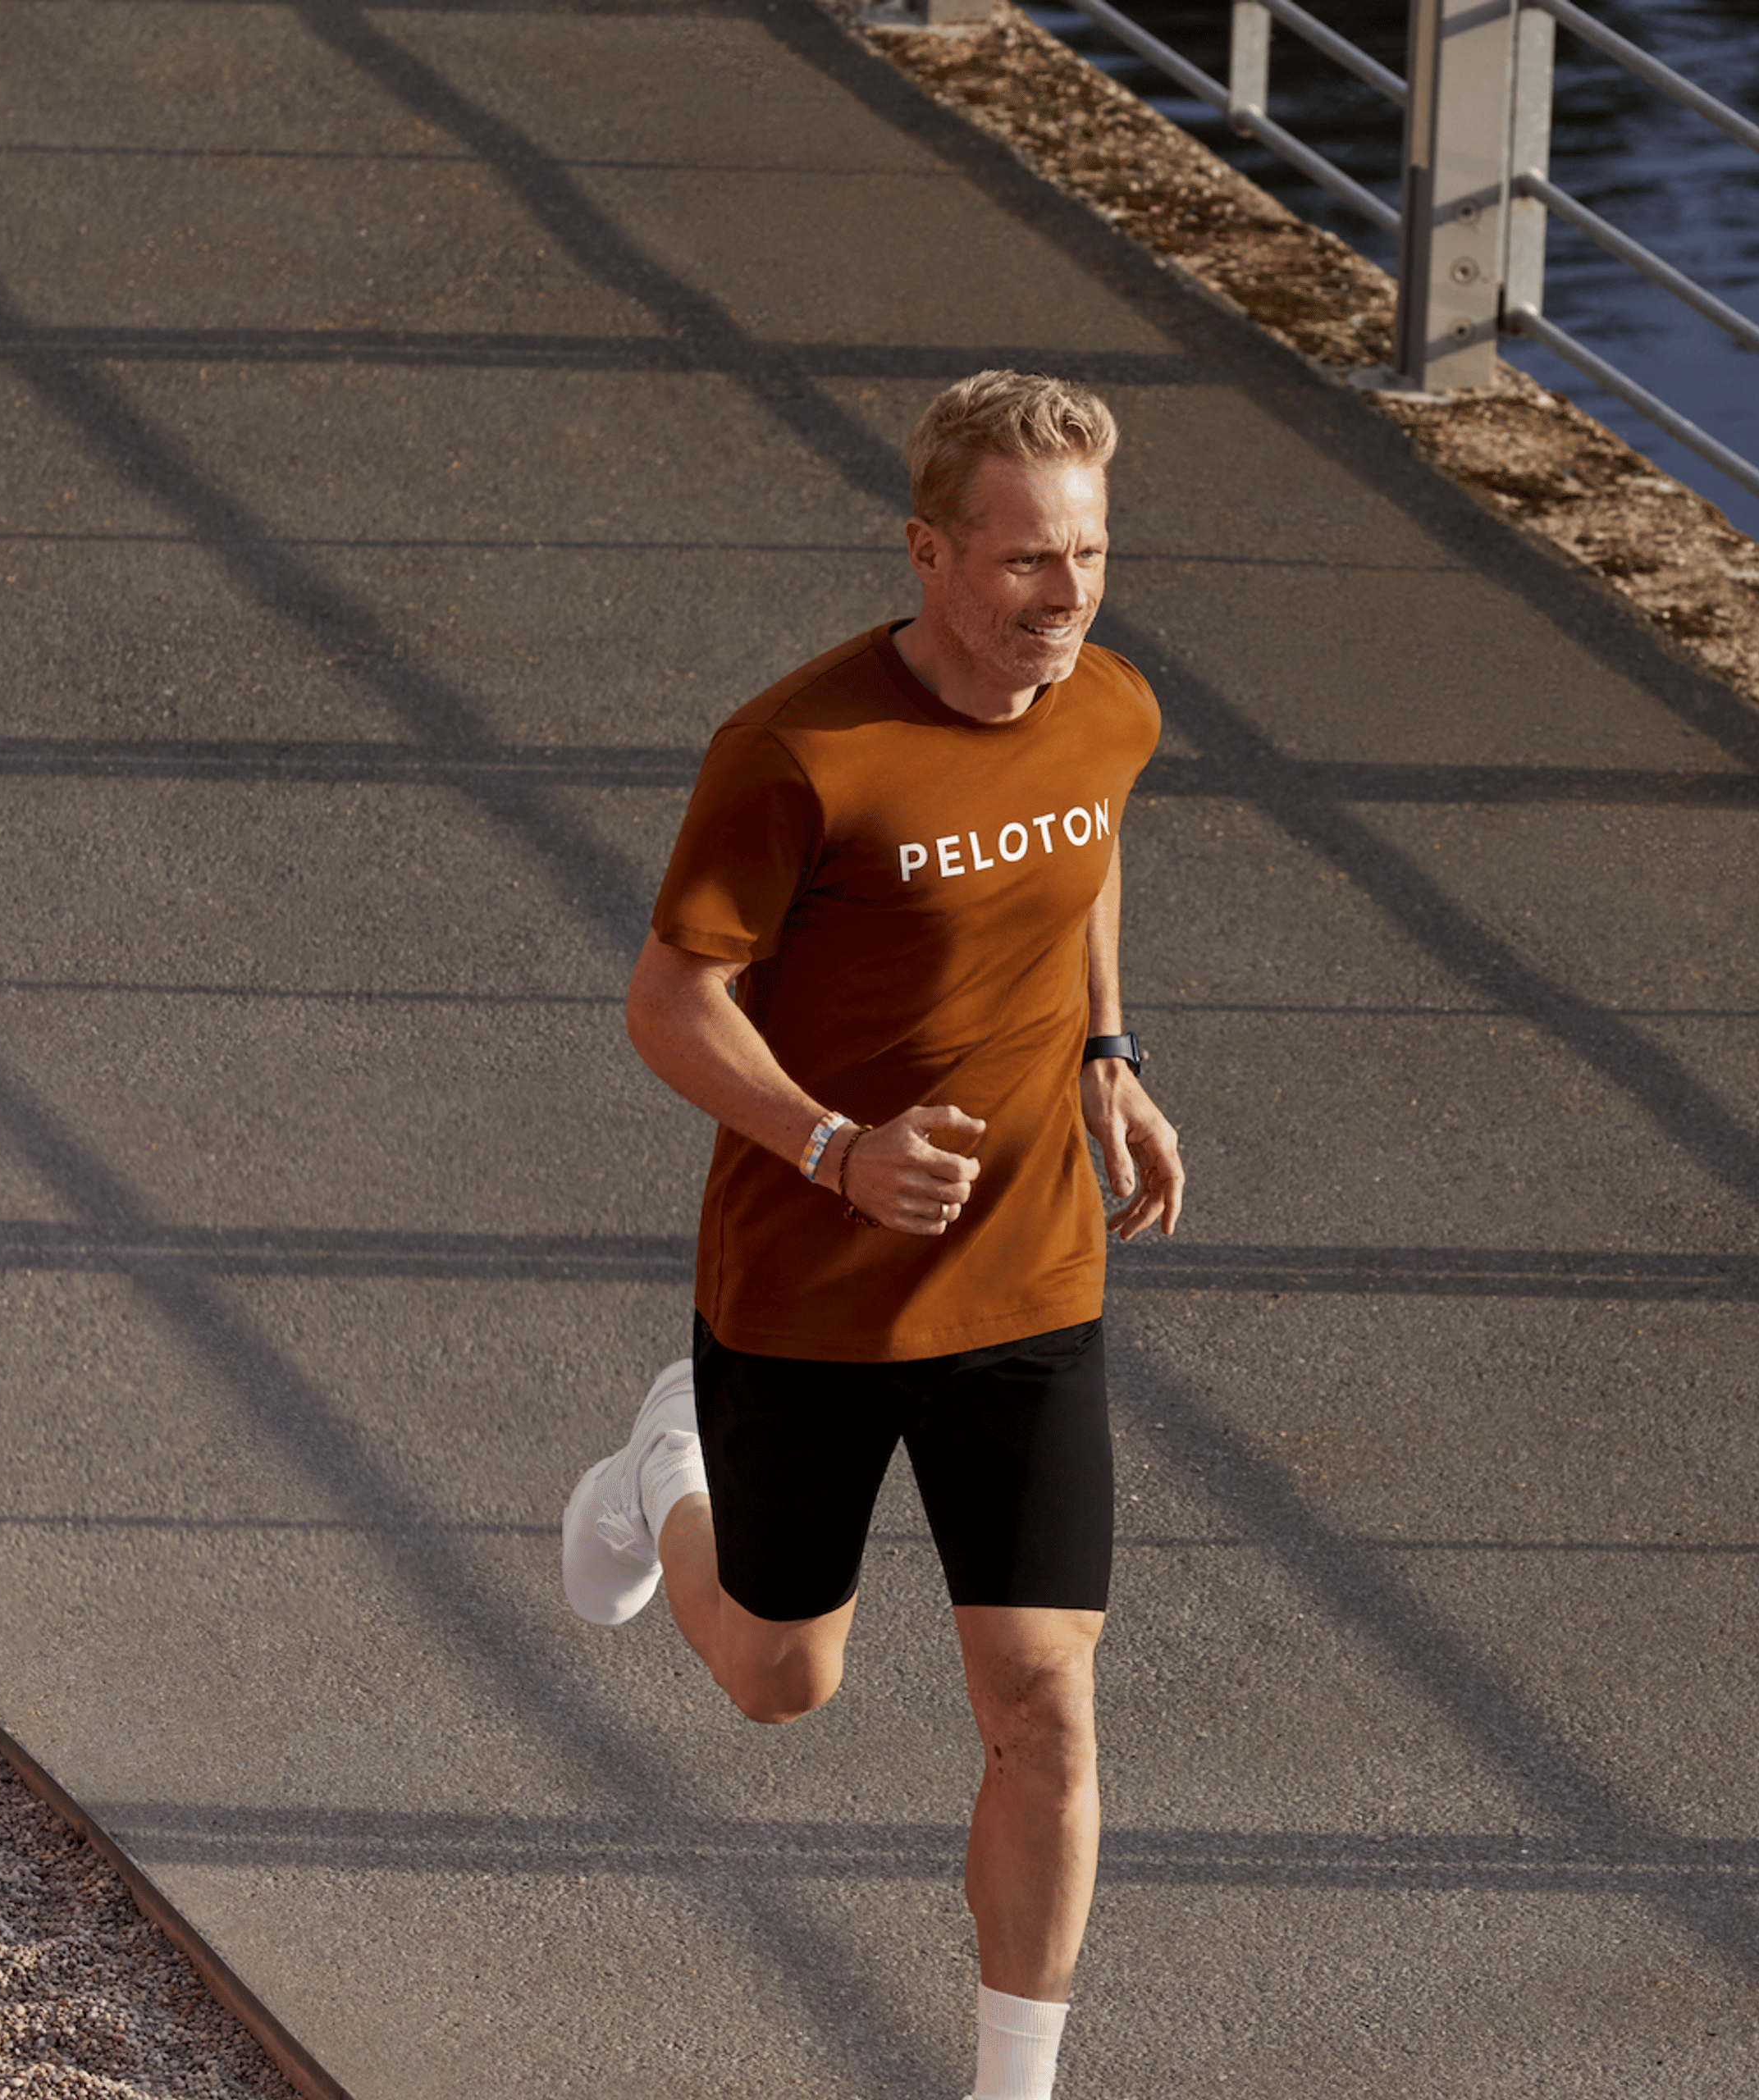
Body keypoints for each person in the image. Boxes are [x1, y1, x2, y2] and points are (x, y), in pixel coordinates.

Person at [560, 369, 1184, 2100]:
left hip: (1030, 1276)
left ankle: (1012, 2087)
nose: (1066, 599)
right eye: (1025, 565)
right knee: (777, 1679)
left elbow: (1089, 852)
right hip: (812, 1286)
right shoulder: (796, 753)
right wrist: (836, 1149)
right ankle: (660, 1471)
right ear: (927, 549)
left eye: (1091, 555)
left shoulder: (1109, 706)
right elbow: (670, 1001)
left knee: (1043, 1693)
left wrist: (1108, 1054)